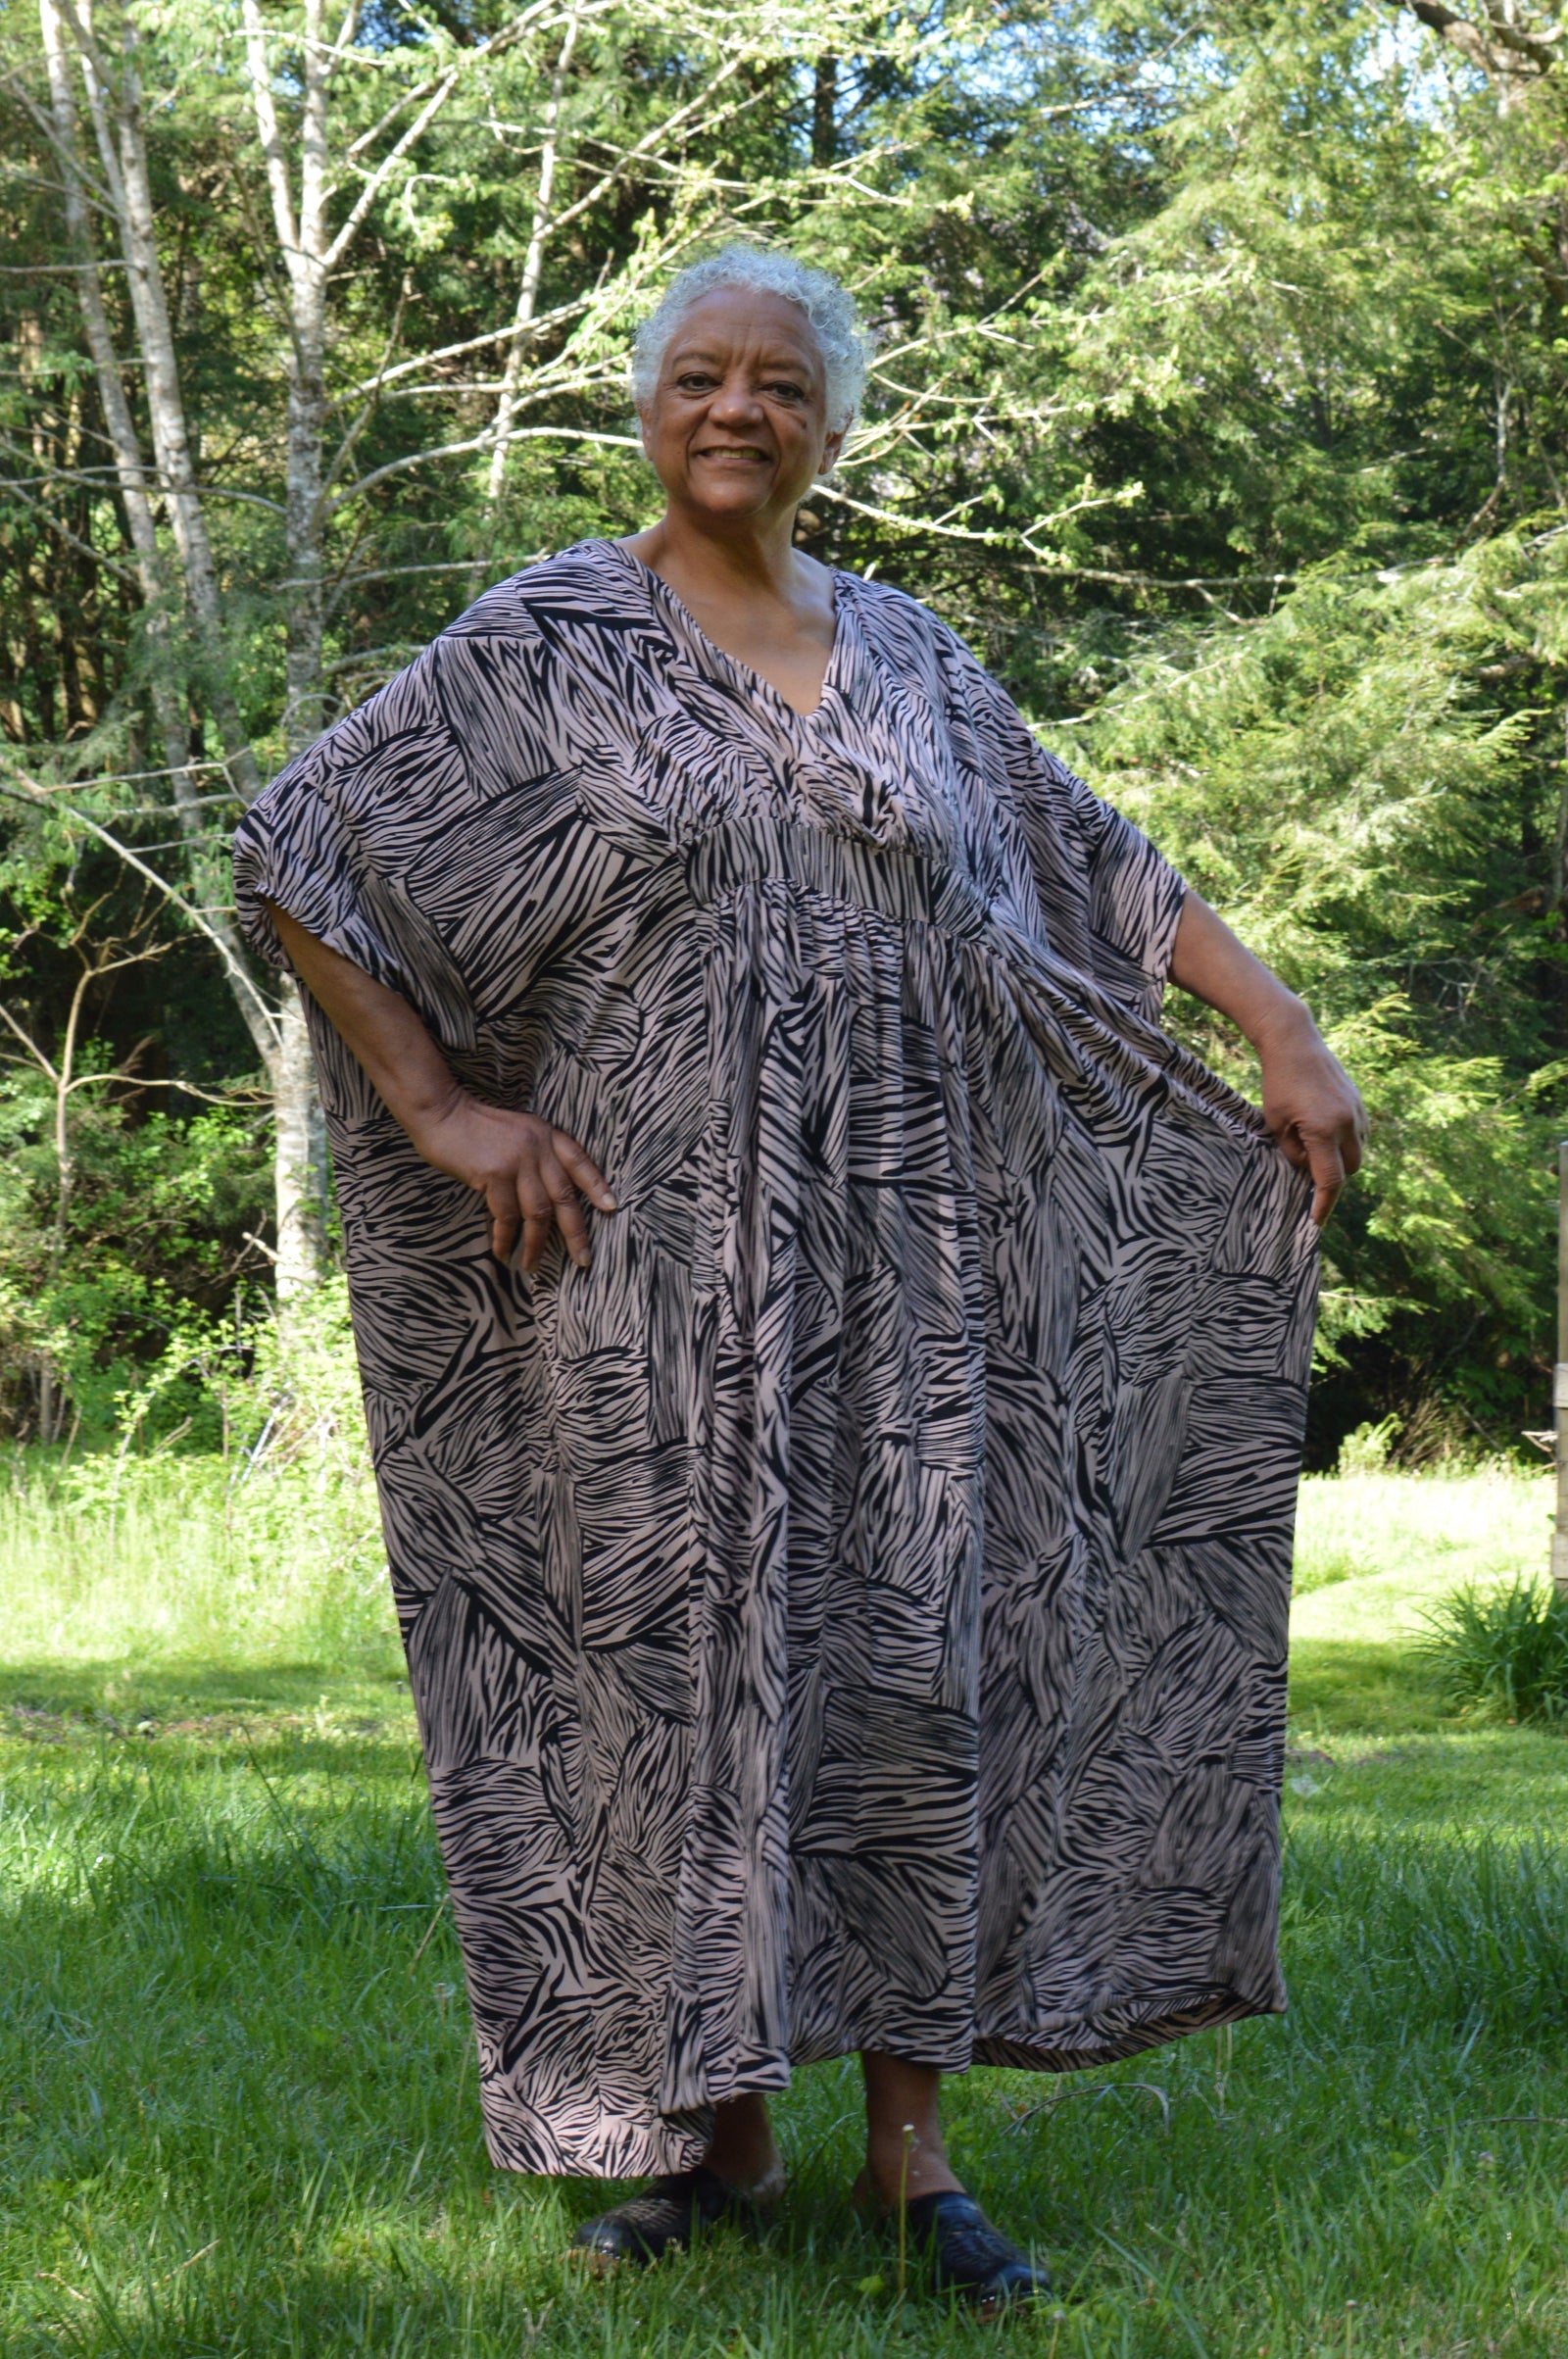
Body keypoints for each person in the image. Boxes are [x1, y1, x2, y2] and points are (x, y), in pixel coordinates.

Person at [233, 245, 1364, 2316]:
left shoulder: (917, 656)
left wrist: (1279, 1026)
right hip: (647, 1276)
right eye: (695, 377)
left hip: (921, 1274)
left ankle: (908, 2155)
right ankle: (717, 2136)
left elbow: (1096, 857)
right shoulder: (549, 639)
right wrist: (437, 1112)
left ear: (826, 425)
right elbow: (308, 841)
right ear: (646, 410)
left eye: (774, 382)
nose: (732, 409)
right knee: (683, 1688)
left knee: (913, 1677)